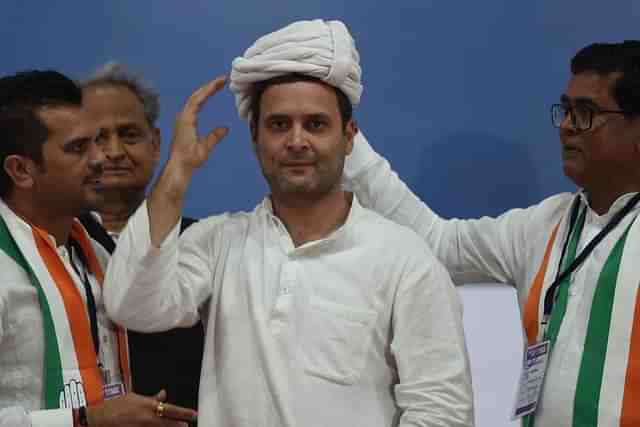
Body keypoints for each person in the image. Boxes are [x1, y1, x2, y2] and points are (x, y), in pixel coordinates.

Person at [103, 19, 474, 427]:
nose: (297, 141)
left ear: (349, 137)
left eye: (316, 124)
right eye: (279, 125)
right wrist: (177, 172)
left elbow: (443, 413)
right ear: (255, 138)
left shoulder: (404, 258)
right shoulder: (220, 242)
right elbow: (133, 307)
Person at [342, 40, 640, 426]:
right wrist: (346, 140)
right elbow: (438, 243)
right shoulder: (545, 224)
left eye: (586, 113)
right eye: (566, 110)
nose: (567, 126)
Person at [0, 70, 196, 427]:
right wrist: (84, 421)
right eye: (78, 148)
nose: (102, 158)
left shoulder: (98, 254)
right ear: (21, 170)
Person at [78, 63, 204, 417]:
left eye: (129, 134)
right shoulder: (51, 245)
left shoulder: (199, 243)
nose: (114, 151)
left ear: (156, 143)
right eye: (97, 137)